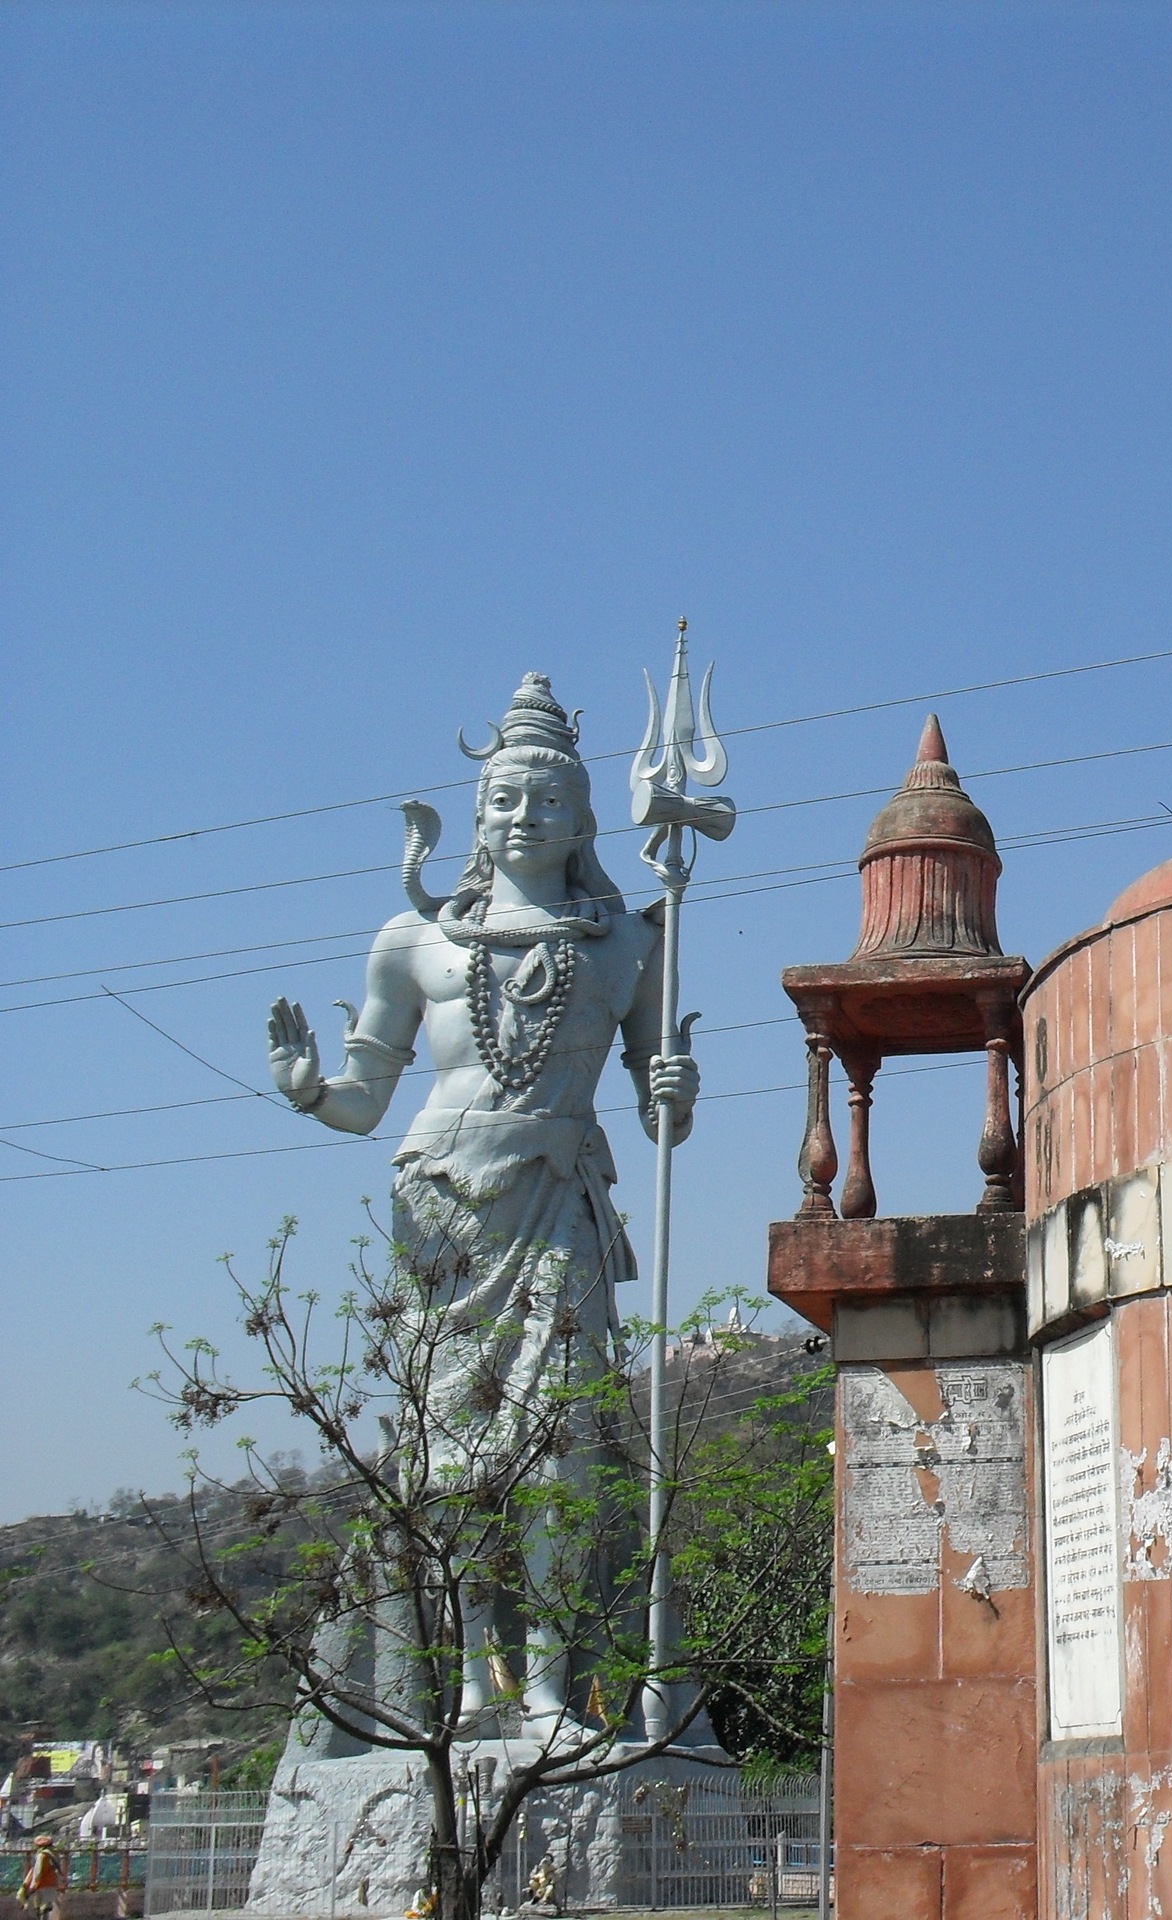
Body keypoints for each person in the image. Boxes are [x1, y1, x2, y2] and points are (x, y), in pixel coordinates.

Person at [266, 672, 698, 1740]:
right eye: (504, 800)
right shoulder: (413, 941)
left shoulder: (632, 942)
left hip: (560, 1195)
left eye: (547, 800)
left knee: (563, 1445)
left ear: (582, 818)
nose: (523, 818)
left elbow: (661, 1124)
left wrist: (676, 1090)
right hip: (443, 1201)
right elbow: (364, 1103)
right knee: (449, 1453)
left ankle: (547, 1686)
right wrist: (309, 1091)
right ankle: (469, 1687)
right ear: (476, 814)